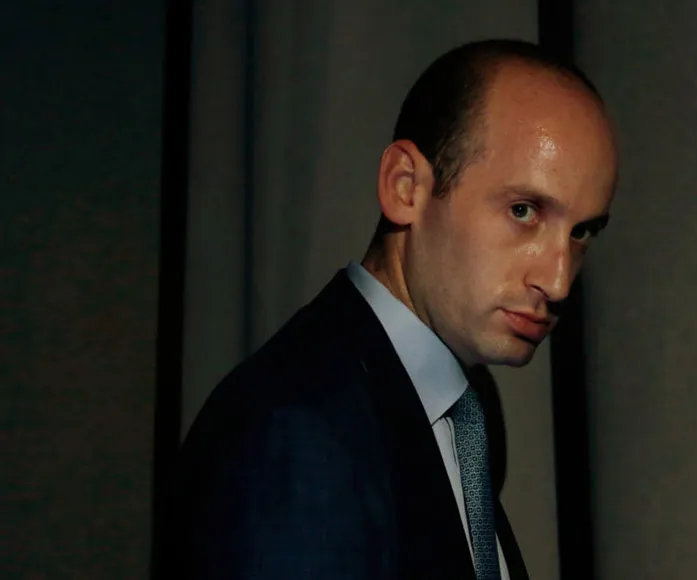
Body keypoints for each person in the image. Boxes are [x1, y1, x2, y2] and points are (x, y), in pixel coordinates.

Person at [171, 39, 618, 580]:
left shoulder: (462, 414)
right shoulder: (295, 430)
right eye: (523, 211)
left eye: (581, 233)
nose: (558, 281)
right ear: (405, 187)